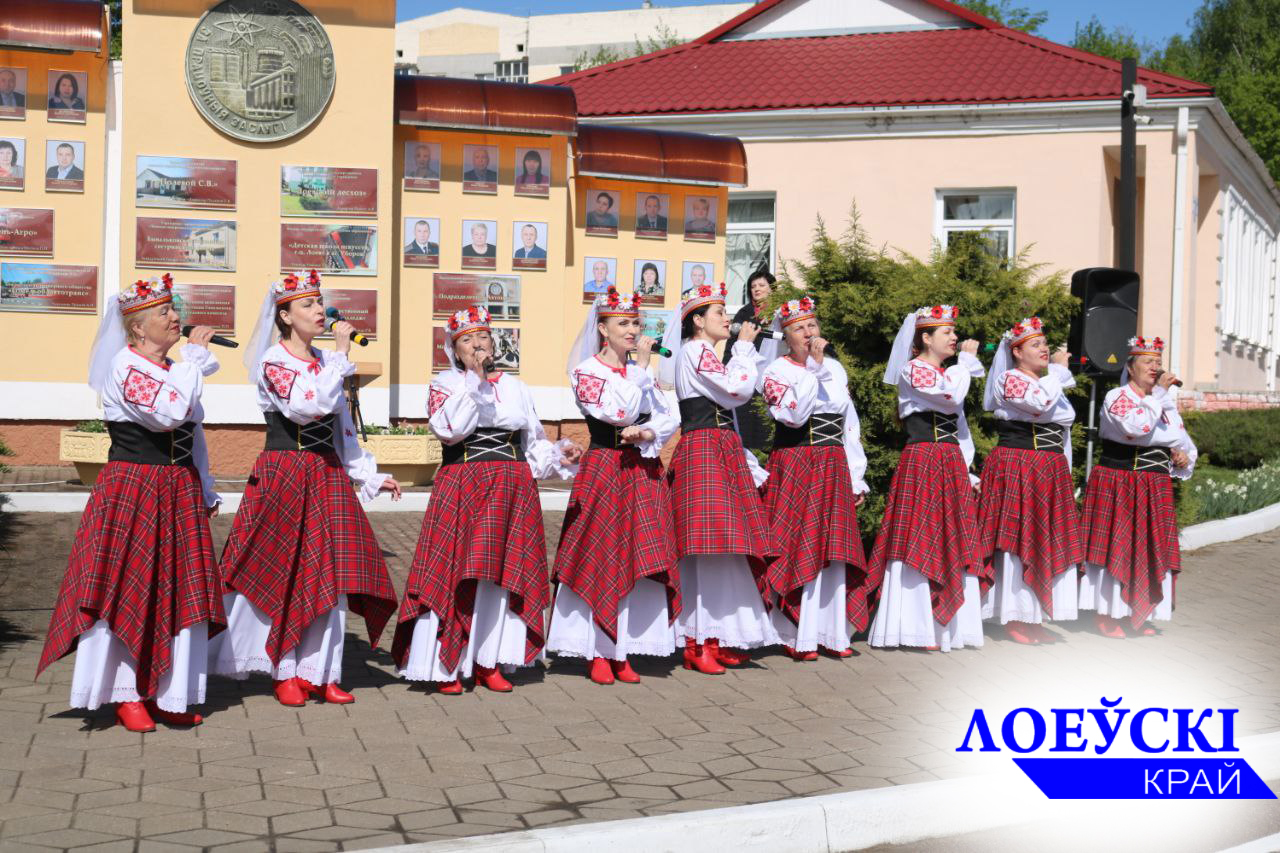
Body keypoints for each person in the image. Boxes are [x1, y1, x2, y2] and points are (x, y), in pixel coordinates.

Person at [38, 274, 224, 732]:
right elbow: (169, 414)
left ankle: (168, 691)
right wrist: (193, 361)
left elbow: (192, 435)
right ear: (138, 328)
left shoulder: (171, 368)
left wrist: (205, 487)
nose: (175, 317)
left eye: (174, 309)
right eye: (164, 312)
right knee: (130, 584)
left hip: (177, 489)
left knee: (177, 588)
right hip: (135, 490)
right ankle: (125, 693)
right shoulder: (125, 367)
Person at [212, 270, 402, 707]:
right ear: (285, 316)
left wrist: (367, 474)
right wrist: (339, 355)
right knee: (284, 570)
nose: (319, 311)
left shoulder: (325, 361)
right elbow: (305, 407)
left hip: (326, 474)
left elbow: (342, 428)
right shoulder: (273, 362)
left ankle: (320, 671)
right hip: (286, 473)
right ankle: (282, 669)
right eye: (308, 304)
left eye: (319, 302)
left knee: (330, 573)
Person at [392, 306, 580, 693]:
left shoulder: (516, 387)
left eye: (483, 337)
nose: (477, 344)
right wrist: (474, 381)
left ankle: (488, 659)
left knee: (502, 573)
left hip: (512, 485)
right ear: (454, 349)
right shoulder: (446, 385)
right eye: (467, 339)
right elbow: (451, 430)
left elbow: (532, 442)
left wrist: (558, 455)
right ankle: (446, 662)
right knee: (456, 569)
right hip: (465, 484)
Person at [548, 288, 680, 684]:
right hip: (606, 468)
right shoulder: (587, 372)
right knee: (601, 553)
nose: (633, 329)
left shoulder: (640, 371)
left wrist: (649, 432)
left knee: (640, 551)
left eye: (636, 322)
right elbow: (616, 412)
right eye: (623, 323)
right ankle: (598, 650)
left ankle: (624, 647)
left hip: (641, 469)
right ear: (603, 329)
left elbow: (668, 415)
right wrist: (639, 369)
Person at [657, 282, 778, 673]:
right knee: (709, 546)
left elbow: (731, 403)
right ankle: (698, 641)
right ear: (697, 320)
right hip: (704, 449)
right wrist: (742, 350)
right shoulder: (695, 351)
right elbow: (736, 390)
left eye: (726, 312)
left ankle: (720, 634)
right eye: (719, 313)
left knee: (727, 545)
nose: (727, 319)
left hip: (720, 448)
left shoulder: (706, 353)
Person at [867, 305, 989, 652]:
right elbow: (950, 395)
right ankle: (916, 627)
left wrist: (968, 469)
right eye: (946, 332)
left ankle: (948, 627)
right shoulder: (913, 370)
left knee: (951, 535)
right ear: (925, 338)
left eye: (953, 331)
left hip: (949, 461)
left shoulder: (946, 373)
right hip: (923, 460)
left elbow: (960, 428)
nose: (954, 337)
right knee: (921, 534)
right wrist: (965, 364)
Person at [758, 297, 872, 660]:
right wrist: (812, 369)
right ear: (785, 336)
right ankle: (794, 633)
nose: (808, 333)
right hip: (797, 462)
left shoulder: (835, 368)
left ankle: (831, 631)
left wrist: (856, 475)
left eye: (812, 325)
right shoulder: (775, 372)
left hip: (833, 464)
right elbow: (793, 416)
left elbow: (848, 424)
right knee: (796, 542)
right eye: (799, 328)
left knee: (832, 546)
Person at [1078, 335, 1197, 638]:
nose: (1155, 368)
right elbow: (1137, 426)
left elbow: (1178, 437)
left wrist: (1181, 455)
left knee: (1148, 548)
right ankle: (1107, 613)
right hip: (1121, 481)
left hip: (1154, 484)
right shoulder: (1117, 397)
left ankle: (1137, 613)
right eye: (1148, 362)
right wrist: (1160, 394)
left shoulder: (1162, 402)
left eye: (1158, 362)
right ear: (1130, 368)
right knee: (1117, 544)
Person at [976, 317, 1084, 645]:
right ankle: (1014, 614)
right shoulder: (1010, 380)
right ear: (1017, 352)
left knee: (1044, 537)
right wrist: (1059, 371)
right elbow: (1038, 404)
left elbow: (1060, 426)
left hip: (1048, 469)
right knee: (1019, 537)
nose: (1045, 349)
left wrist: (1064, 470)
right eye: (1036, 344)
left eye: (1045, 343)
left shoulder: (1047, 383)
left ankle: (1035, 614)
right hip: (1020, 466)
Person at [725, 266, 775, 451]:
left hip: (773, 373)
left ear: (772, 288)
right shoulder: (744, 314)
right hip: (749, 372)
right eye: (753, 286)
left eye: (761, 285)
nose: (756, 289)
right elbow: (732, 345)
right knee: (748, 418)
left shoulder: (779, 313)